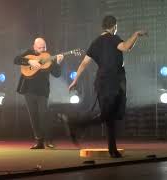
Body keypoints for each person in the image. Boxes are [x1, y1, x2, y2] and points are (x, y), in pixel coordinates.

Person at [68, 15, 147, 158]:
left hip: (101, 83)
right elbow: (126, 47)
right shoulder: (113, 38)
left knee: (109, 116)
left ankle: (112, 149)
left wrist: (75, 80)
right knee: (108, 115)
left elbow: (84, 63)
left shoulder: (95, 42)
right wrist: (136, 34)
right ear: (114, 26)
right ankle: (77, 124)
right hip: (112, 83)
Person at [14, 37, 64, 149]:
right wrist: (29, 61)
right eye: (40, 47)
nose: (42, 49)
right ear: (34, 47)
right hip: (28, 90)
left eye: (44, 47)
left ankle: (49, 141)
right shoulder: (29, 53)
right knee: (33, 116)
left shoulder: (48, 57)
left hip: (43, 91)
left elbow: (57, 74)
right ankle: (39, 141)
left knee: (44, 115)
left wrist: (58, 63)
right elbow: (16, 60)